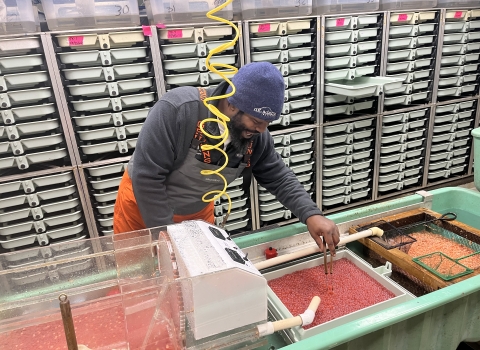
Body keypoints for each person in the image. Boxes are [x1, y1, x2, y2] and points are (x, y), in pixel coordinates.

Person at [113, 62, 340, 254]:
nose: (262, 130)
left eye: (267, 123)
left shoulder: (257, 136)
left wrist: (311, 214)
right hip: (141, 211)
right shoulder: (178, 110)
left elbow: (278, 177)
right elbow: (148, 178)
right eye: (256, 121)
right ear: (231, 104)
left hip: (196, 214)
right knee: (139, 281)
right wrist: (167, 237)